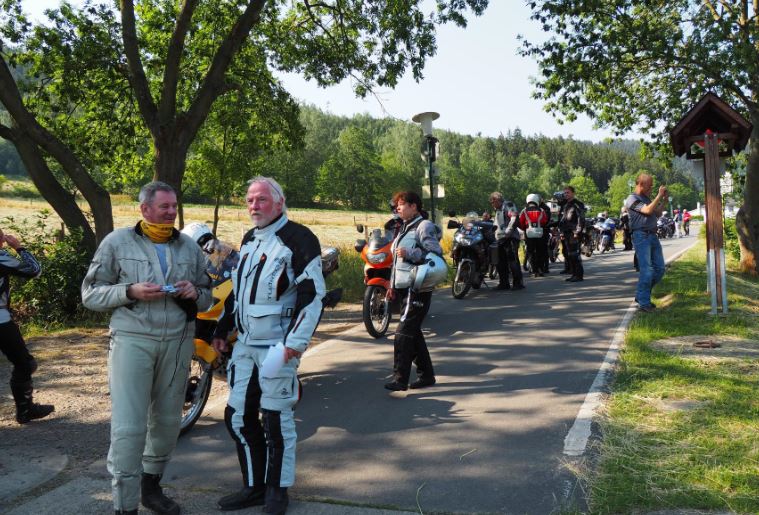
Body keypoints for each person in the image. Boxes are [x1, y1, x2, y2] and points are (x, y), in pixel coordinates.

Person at [81, 181, 212, 515]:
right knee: (129, 427)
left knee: (168, 422)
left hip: (178, 342)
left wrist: (195, 293)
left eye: (174, 206)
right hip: (133, 340)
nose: (171, 212)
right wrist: (129, 291)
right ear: (145, 209)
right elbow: (90, 294)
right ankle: (124, 506)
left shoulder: (189, 247)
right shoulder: (117, 242)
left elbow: (208, 296)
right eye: (164, 206)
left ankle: (150, 489)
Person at [212, 177, 326, 515]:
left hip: (277, 348)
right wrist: (223, 328)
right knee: (237, 416)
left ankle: (277, 489)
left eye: (261, 199)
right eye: (250, 200)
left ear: (279, 202)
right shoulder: (249, 239)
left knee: (275, 418)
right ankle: (254, 486)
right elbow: (238, 292)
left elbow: (313, 295)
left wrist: (295, 343)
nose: (254, 206)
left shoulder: (299, 238)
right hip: (245, 347)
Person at [384, 191, 443, 392]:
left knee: (403, 333)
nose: (397, 208)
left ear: (414, 206)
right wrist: (391, 286)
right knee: (413, 332)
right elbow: (396, 261)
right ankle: (426, 376)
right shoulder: (403, 227)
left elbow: (434, 253)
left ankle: (400, 379)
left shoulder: (424, 226)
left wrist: (410, 253)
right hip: (403, 287)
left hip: (417, 287)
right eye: (397, 205)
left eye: (401, 204)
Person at [0, 229, 53, 424]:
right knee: (24, 364)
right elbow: (34, 270)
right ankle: (25, 410)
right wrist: (19, 247)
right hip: (1, 322)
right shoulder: (2, 258)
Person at [624, 173, 667, 312]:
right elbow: (648, 210)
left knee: (660, 269)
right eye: (649, 185)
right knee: (647, 270)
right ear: (641, 184)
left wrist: (664, 201)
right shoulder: (632, 199)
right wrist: (659, 195)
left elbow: (657, 213)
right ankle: (644, 303)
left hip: (652, 235)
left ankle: (641, 295)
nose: (651, 188)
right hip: (641, 236)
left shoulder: (646, 198)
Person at [489, 192, 524, 290]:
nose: (492, 204)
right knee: (500, 262)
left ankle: (518, 283)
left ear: (497, 200)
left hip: (510, 237)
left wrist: (509, 230)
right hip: (500, 238)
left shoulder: (508, 205)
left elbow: (514, 217)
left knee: (513, 260)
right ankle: (504, 283)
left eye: (492, 202)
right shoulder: (498, 209)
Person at [557, 185, 585, 282]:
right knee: (569, 254)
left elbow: (581, 218)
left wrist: (577, 231)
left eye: (568, 192)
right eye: (565, 193)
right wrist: (561, 231)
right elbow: (563, 219)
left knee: (574, 254)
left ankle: (578, 275)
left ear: (573, 193)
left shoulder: (577, 204)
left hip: (574, 232)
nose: (566, 194)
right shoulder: (566, 205)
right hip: (567, 232)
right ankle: (574, 274)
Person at [518, 194, 549, 277]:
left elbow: (520, 222)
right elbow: (545, 221)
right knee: (540, 251)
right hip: (540, 233)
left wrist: (525, 228)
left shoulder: (524, 211)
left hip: (529, 233)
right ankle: (541, 269)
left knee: (531, 252)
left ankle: (534, 271)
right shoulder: (541, 210)